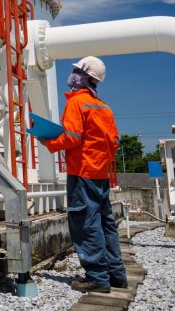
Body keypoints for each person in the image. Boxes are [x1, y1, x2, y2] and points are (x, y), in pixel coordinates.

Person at [39, 56, 126, 293]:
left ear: (86, 77)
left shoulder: (76, 103)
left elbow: (72, 137)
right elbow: (114, 141)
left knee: (86, 224)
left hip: (82, 172)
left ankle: (97, 278)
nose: (73, 75)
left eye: (77, 71)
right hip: (100, 174)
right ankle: (116, 275)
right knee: (105, 223)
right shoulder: (104, 107)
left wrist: (49, 142)